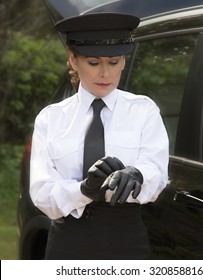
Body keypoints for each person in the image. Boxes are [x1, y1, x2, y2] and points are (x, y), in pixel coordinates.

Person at [29, 12, 169, 260]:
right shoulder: (51, 119)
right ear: (73, 60)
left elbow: (157, 175)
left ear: (124, 61)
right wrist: (84, 190)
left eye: (114, 62)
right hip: (68, 242)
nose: (105, 73)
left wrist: (137, 174)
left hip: (127, 240)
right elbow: (42, 193)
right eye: (94, 63)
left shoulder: (143, 110)